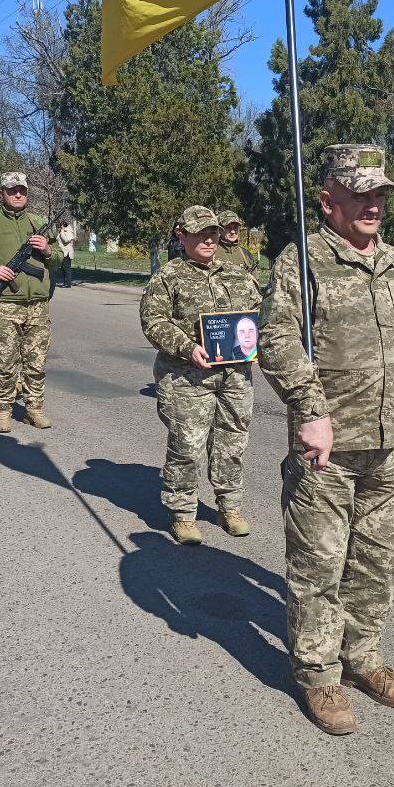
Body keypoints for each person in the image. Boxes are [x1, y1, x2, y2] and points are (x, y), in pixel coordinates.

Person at [259, 144, 394, 736]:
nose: (373, 205)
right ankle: (317, 676)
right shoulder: (303, 262)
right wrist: (310, 410)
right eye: (361, 194)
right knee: (319, 563)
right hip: (328, 448)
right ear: (328, 200)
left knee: (377, 561)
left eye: (380, 194)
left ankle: (361, 658)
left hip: (390, 445)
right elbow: (277, 340)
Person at [139, 205, 262, 546]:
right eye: (200, 233)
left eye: (213, 233)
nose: (209, 239)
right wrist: (186, 346)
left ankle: (229, 507)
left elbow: (258, 315)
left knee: (232, 443)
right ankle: (182, 513)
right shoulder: (168, 277)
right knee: (187, 446)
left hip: (236, 376)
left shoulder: (236, 274)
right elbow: (154, 322)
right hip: (187, 376)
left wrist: (259, 339)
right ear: (182, 235)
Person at [0, 172, 60, 432]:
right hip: (5, 304)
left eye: (22, 190)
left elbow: (60, 258)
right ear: (2, 193)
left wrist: (49, 250)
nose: (18, 194)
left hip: (38, 306)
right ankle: (3, 410)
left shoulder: (39, 222)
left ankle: (33, 410)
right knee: (4, 361)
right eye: (12, 190)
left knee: (36, 361)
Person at [216, 210, 258, 274]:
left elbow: (255, 280)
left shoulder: (245, 254)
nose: (232, 232)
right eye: (228, 227)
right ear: (220, 229)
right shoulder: (211, 253)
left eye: (235, 227)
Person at [57, 219, 76, 288]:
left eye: (60, 226)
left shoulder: (67, 231)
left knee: (66, 268)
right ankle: (65, 282)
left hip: (67, 252)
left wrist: (62, 232)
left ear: (62, 226)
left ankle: (68, 283)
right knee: (63, 268)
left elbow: (66, 240)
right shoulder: (64, 231)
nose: (59, 227)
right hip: (63, 252)